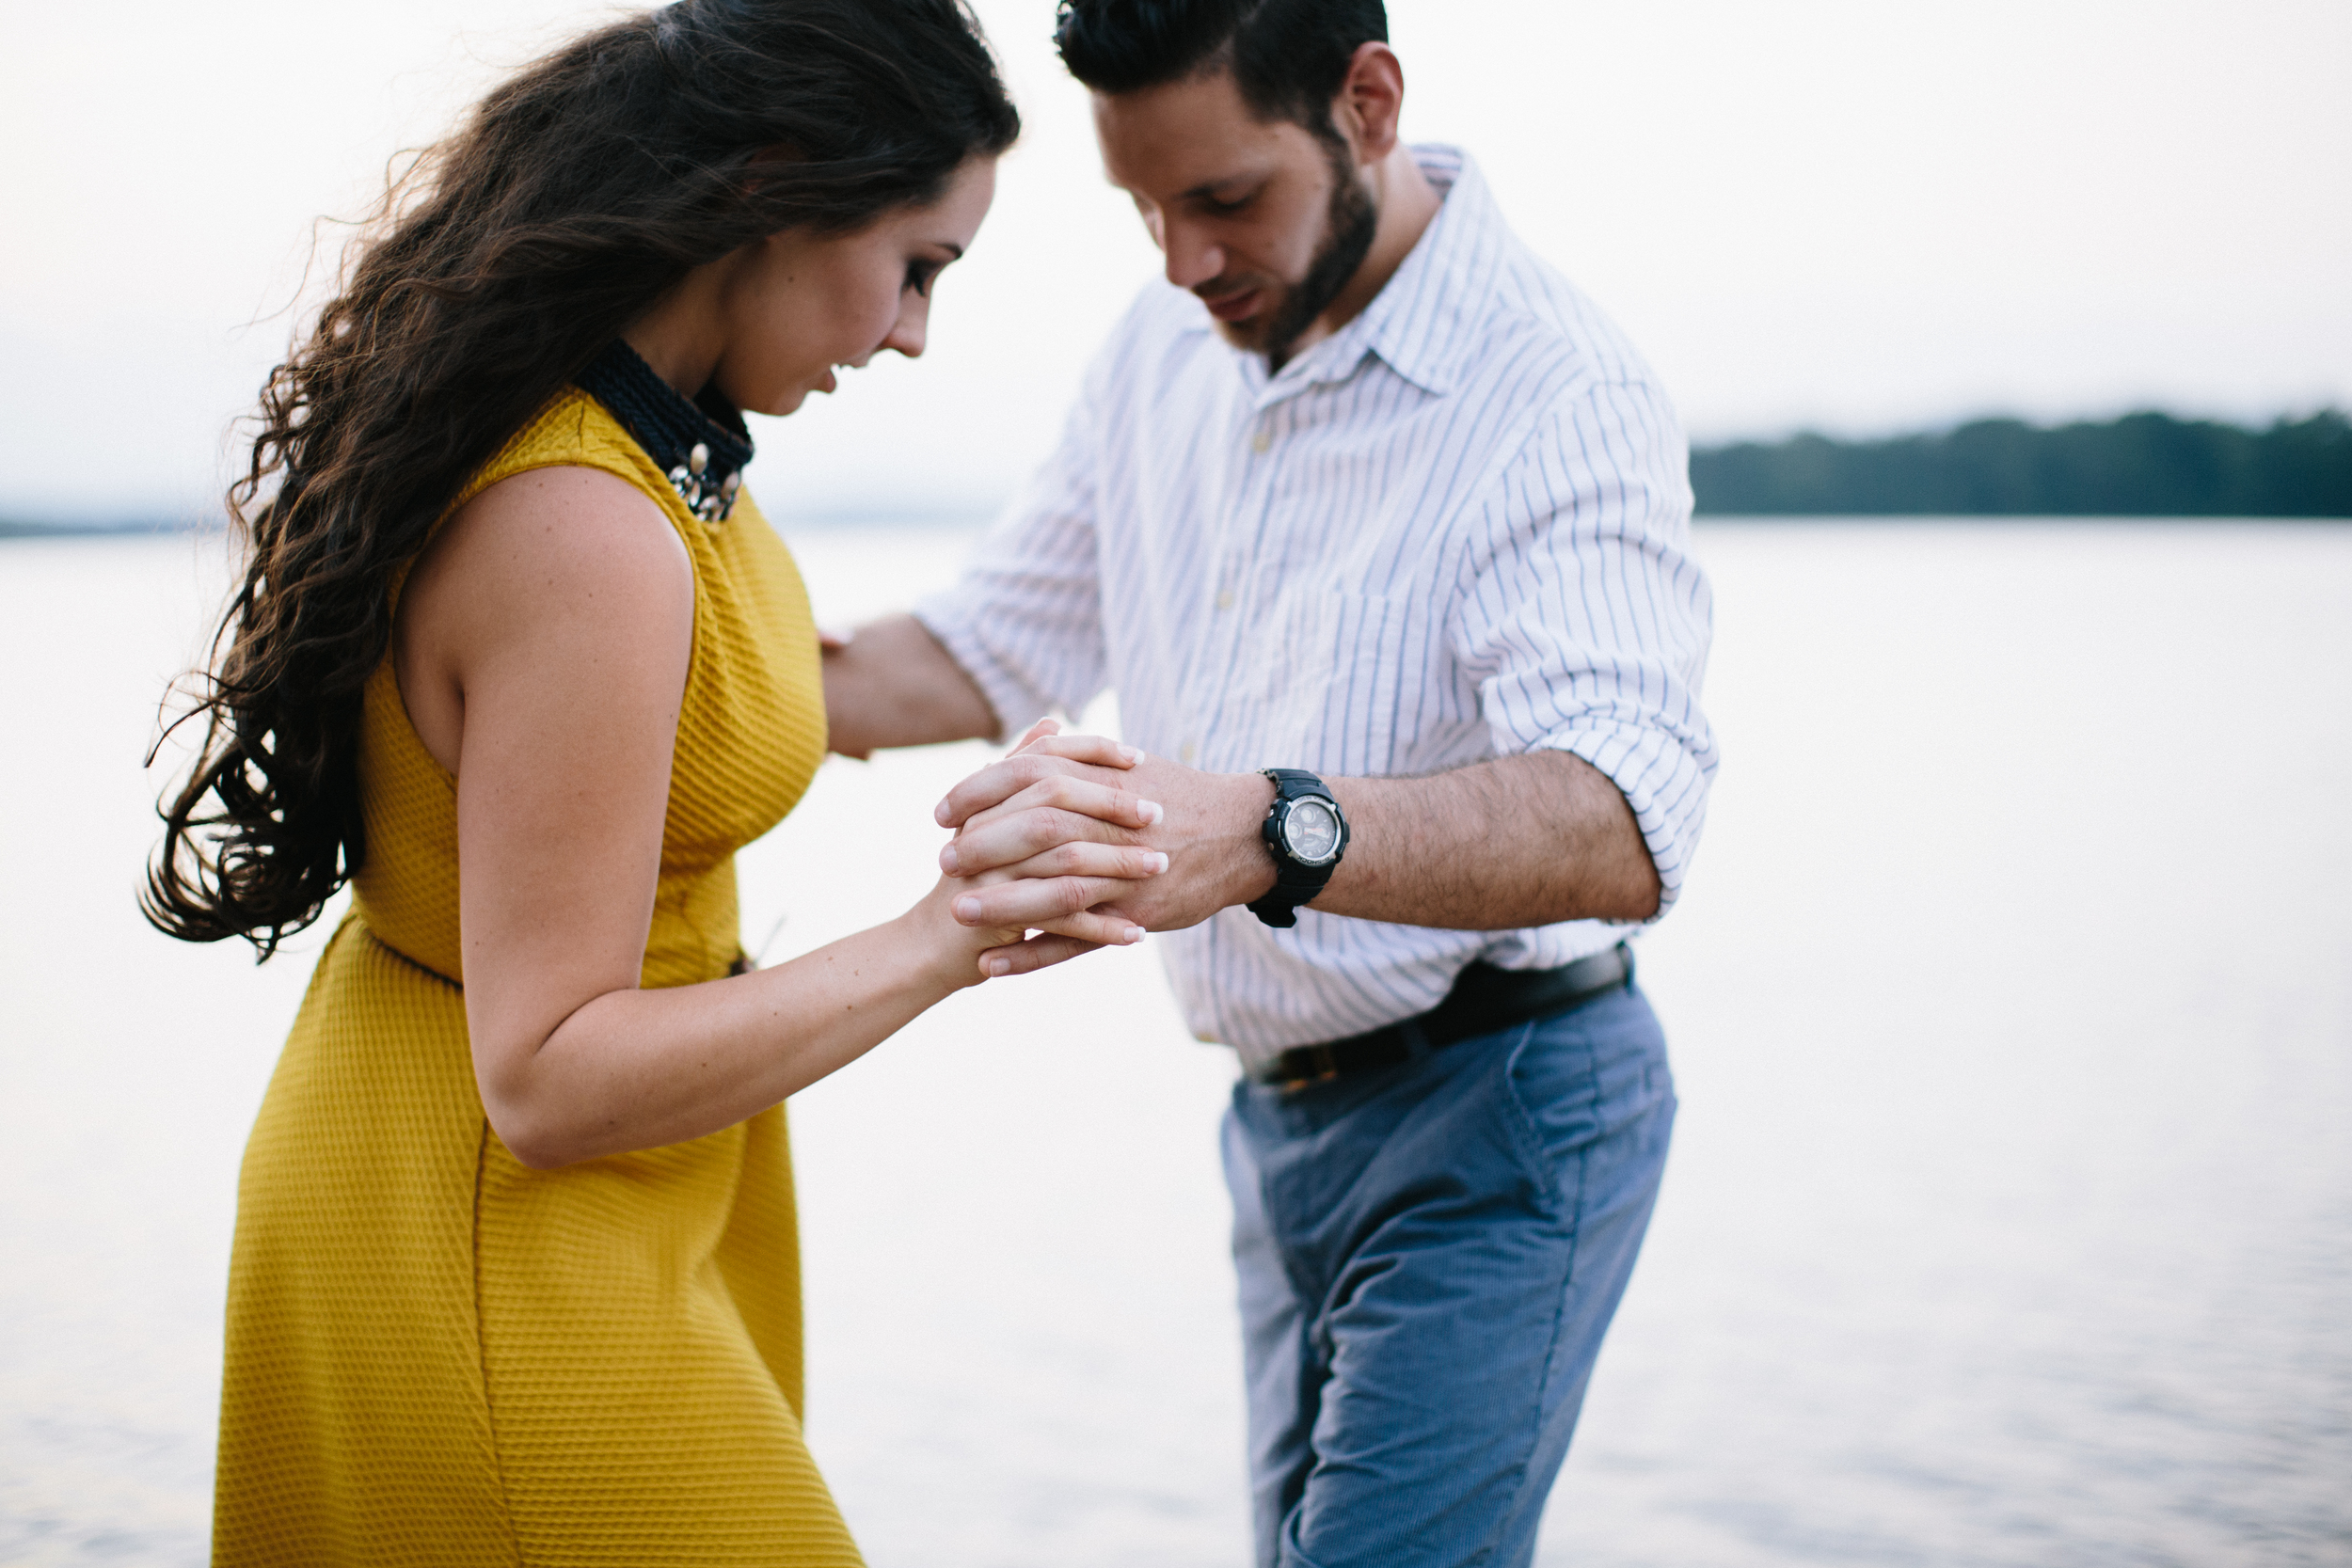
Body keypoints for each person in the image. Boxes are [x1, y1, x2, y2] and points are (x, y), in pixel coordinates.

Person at [142, 3, 1167, 1562]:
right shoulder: (587, 521)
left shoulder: (661, 448)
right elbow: (547, 1074)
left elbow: (751, 704)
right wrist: (950, 931)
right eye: (919, 265)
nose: (910, 333)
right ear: (773, 184)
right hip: (497, 1226)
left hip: (624, 1196)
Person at [818, 2, 1720, 1562]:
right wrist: (640, 633)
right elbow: (984, 651)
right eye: (1145, 210)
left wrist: (1264, 829)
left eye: (1224, 199)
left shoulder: (1558, 387)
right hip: (1273, 1131)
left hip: (1506, 1111)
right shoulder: (1162, 345)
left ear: (1367, 105)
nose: (1181, 261)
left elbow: (1627, 814)